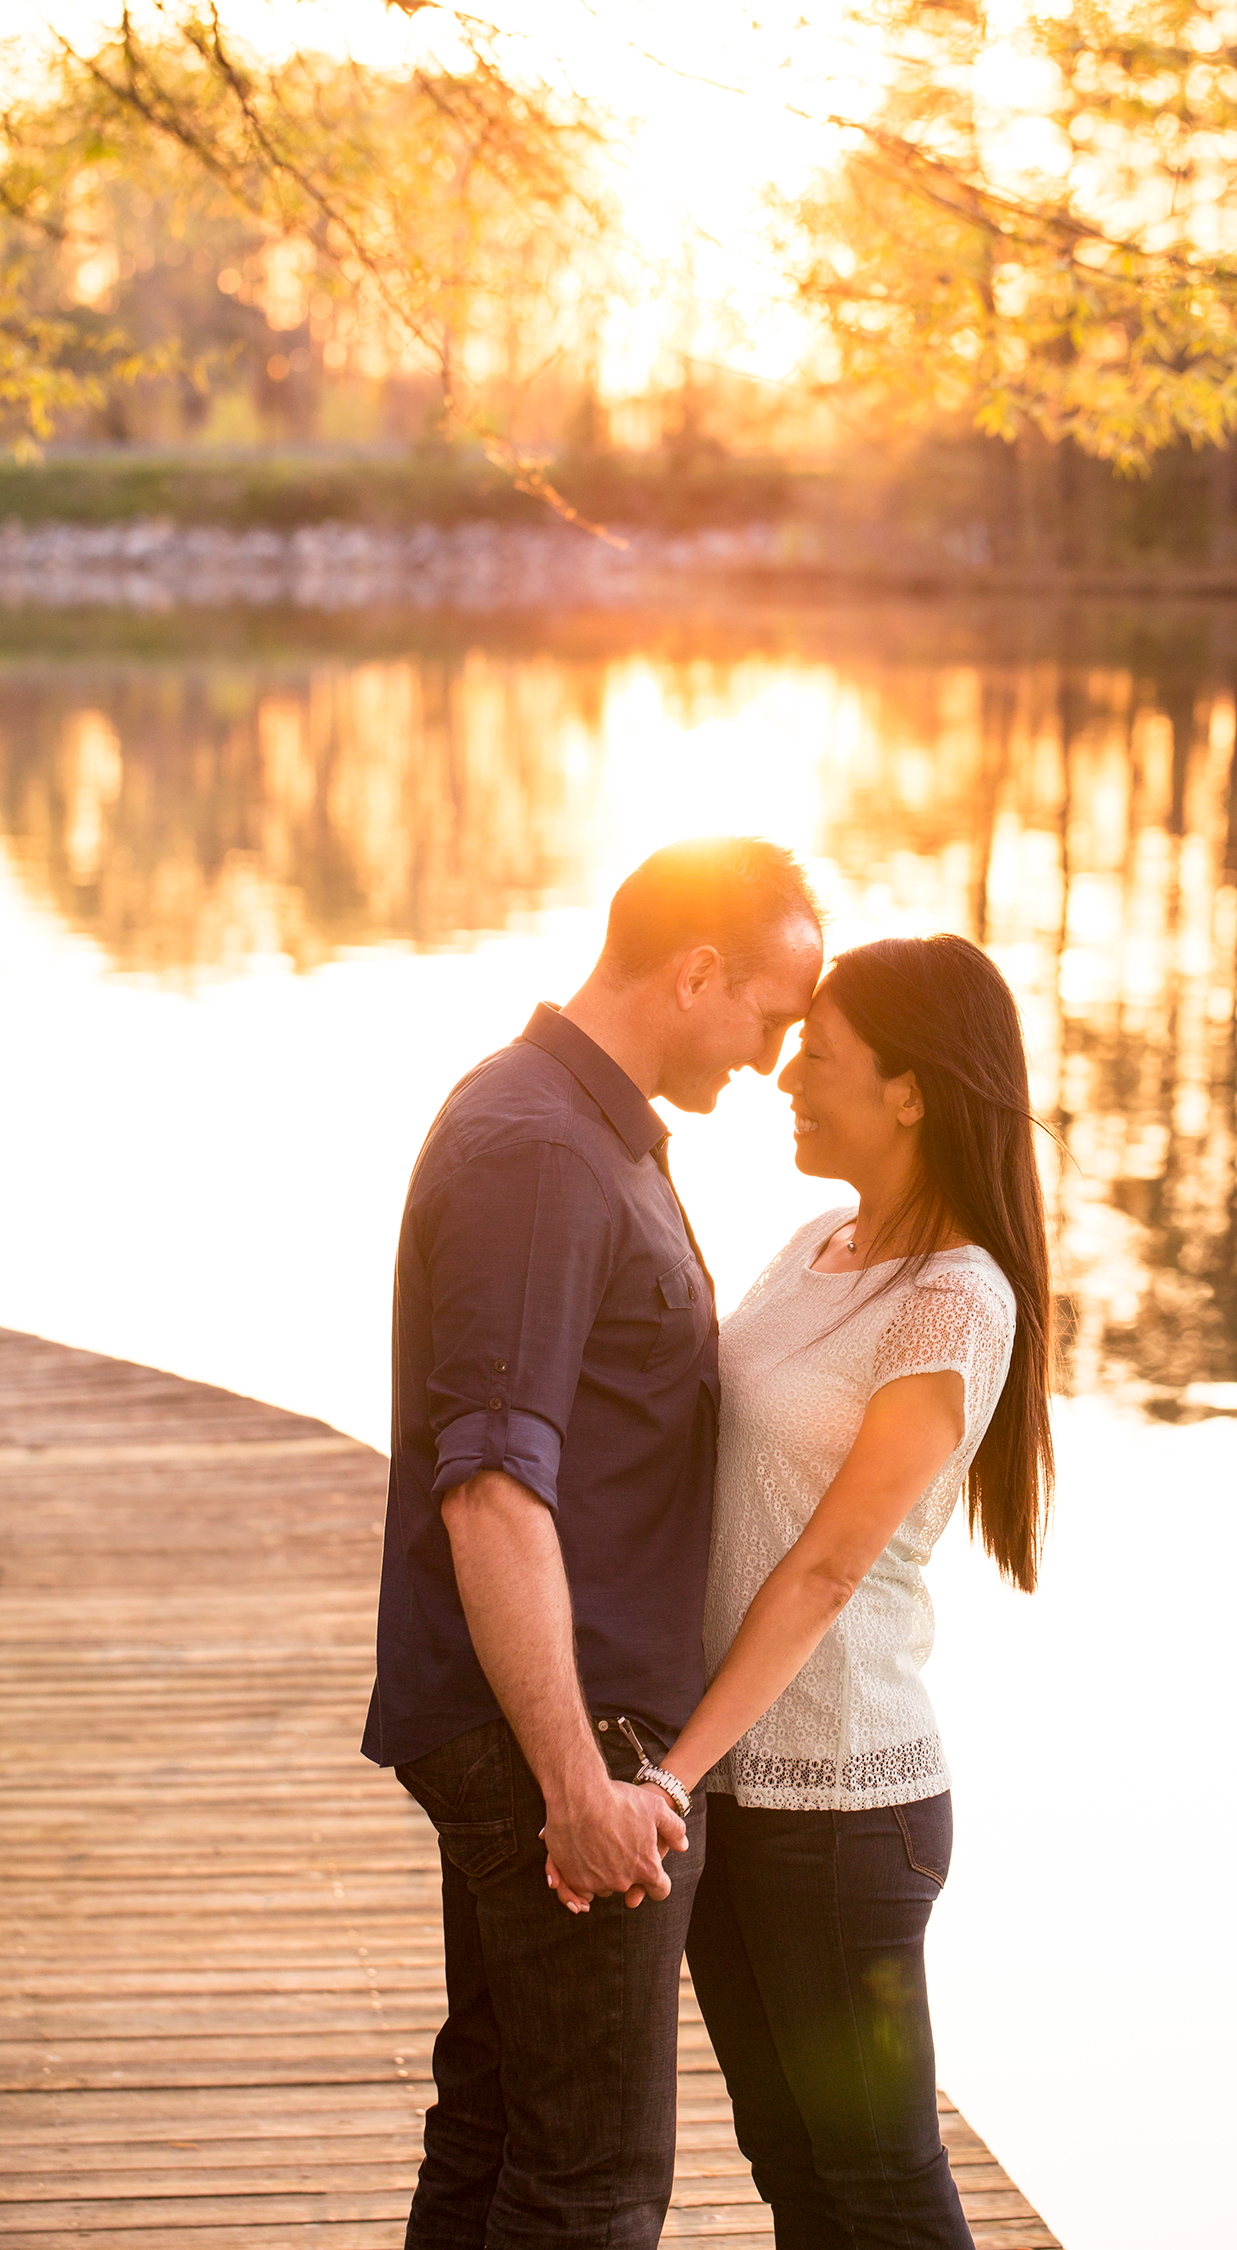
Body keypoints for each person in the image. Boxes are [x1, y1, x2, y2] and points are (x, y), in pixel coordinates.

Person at [550, 932, 1055, 2250]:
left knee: (880, 2177)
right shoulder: (817, 1240)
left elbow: (829, 1564)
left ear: (909, 1092)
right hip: (732, 1784)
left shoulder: (954, 1303)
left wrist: (669, 1777)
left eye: (819, 1057)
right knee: (795, 2167)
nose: (786, 1076)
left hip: (842, 1805)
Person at [361, 836, 824, 2249]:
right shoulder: (543, 1152)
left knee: (503, 2127)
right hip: (562, 1737)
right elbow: (491, 1490)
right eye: (773, 1010)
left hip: (555, 1721)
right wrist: (580, 1779)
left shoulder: (575, 1130)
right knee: (594, 2188)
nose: (777, 1054)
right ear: (696, 974)